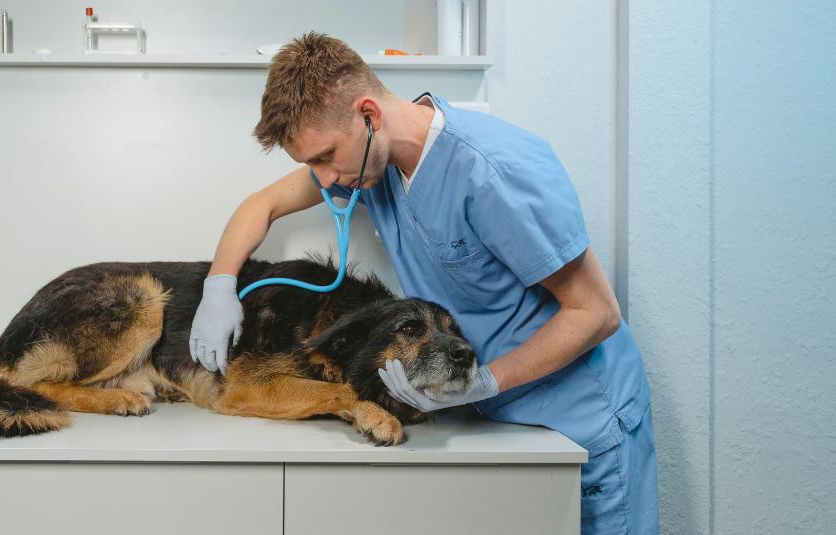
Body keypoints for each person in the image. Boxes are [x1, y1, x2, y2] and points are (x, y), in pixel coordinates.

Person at [188, 32, 658, 534]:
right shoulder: (374, 162)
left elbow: (596, 312)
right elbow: (263, 205)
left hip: (578, 420)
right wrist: (220, 283)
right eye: (310, 166)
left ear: (368, 115)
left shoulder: (493, 172)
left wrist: (486, 382)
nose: (324, 179)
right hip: (494, 422)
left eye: (325, 156)